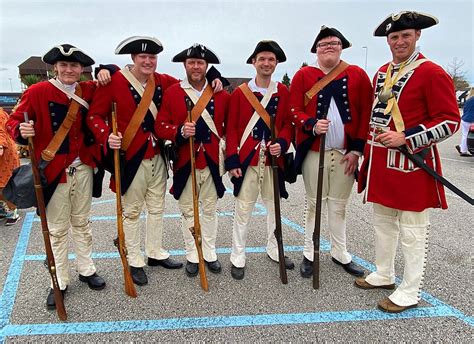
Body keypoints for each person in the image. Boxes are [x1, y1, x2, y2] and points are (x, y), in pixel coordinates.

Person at [87, 37, 224, 285]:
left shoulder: (161, 81)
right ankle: (134, 259)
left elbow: (193, 80)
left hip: (158, 154)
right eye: (143, 57)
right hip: (131, 155)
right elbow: (94, 115)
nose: (148, 61)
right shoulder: (113, 81)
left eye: (152, 57)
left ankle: (154, 252)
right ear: (133, 59)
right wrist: (107, 136)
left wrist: (215, 73)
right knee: (131, 211)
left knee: (156, 207)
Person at [356, 11, 461, 313]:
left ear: (417, 36)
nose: (399, 41)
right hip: (381, 163)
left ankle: (410, 289)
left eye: (405, 36)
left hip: (410, 163)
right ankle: (384, 273)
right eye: (394, 37)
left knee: (413, 230)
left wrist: (408, 137)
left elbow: (450, 122)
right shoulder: (381, 72)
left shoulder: (432, 72)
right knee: (383, 223)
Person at [6, 44, 106, 310]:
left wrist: (108, 69)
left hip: (83, 167)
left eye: (74, 66)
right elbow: (12, 121)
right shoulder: (37, 91)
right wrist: (21, 128)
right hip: (54, 171)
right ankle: (59, 280)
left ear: (81, 69)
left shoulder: (88, 89)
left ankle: (86, 269)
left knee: (82, 223)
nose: (69, 70)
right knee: (58, 230)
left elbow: (113, 81)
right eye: (64, 65)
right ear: (55, 68)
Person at [289, 26, 372, 279]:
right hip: (315, 152)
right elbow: (293, 110)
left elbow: (365, 113)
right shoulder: (303, 75)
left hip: (345, 153)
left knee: (339, 206)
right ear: (316, 49)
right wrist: (311, 124)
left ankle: (340, 252)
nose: (329, 47)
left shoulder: (357, 74)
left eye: (334, 43)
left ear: (342, 47)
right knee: (314, 205)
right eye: (323, 44)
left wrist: (357, 150)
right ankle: (309, 253)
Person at [156, 43, 230, 278]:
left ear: (207, 66)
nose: (196, 67)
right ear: (185, 66)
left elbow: (231, 127)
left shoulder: (221, 93)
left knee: (209, 210)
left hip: (211, 160)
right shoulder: (173, 92)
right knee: (188, 210)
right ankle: (192, 254)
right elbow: (160, 126)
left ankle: (209, 253)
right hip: (185, 160)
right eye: (191, 63)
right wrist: (178, 131)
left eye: (200, 63)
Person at [225, 40, 294, 280]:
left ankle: (274, 248)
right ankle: (238, 255)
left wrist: (282, 143)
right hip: (248, 159)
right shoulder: (241, 93)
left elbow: (287, 125)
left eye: (271, 59)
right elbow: (231, 128)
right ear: (253, 62)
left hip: (273, 161)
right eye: (262, 59)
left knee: (274, 208)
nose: (266, 63)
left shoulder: (283, 92)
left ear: (276, 64)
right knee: (243, 209)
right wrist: (232, 160)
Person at [0, 108, 20, 226]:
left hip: (5, 154)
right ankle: (3, 208)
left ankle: (13, 211)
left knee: (4, 184)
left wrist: (1, 146)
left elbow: (1, 131)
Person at [456, 89, 474, 156]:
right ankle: (463, 148)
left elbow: (465, 109)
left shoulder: (469, 99)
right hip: (471, 120)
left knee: (465, 135)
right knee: (468, 136)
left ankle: (463, 149)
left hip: (465, 119)